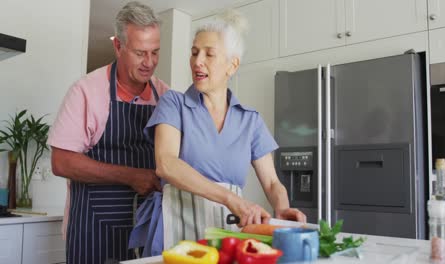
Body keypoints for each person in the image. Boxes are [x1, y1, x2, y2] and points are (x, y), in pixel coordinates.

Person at [139, 10, 306, 252]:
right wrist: (232, 200)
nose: (198, 61)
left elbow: (271, 183)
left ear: (232, 65)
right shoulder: (174, 104)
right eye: (195, 52)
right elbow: (166, 164)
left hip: (227, 237)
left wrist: (281, 210)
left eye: (209, 54)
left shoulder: (250, 120)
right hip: (176, 233)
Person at [47, 2, 169, 263]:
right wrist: (131, 176)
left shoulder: (166, 96)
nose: (149, 63)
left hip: (149, 229)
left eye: (155, 52)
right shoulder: (86, 92)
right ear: (118, 46)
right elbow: (61, 161)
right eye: (140, 53)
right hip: (93, 229)